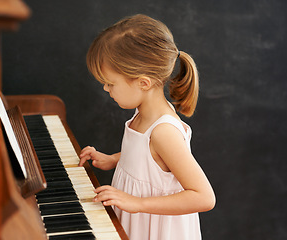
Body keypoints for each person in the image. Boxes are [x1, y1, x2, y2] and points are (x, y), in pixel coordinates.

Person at [79, 14, 215, 240]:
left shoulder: (163, 132)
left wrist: (138, 203)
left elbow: (204, 197)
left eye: (111, 83)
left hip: (157, 229)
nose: (105, 88)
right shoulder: (142, 112)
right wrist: (114, 159)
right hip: (138, 219)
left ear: (143, 83)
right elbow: (150, 160)